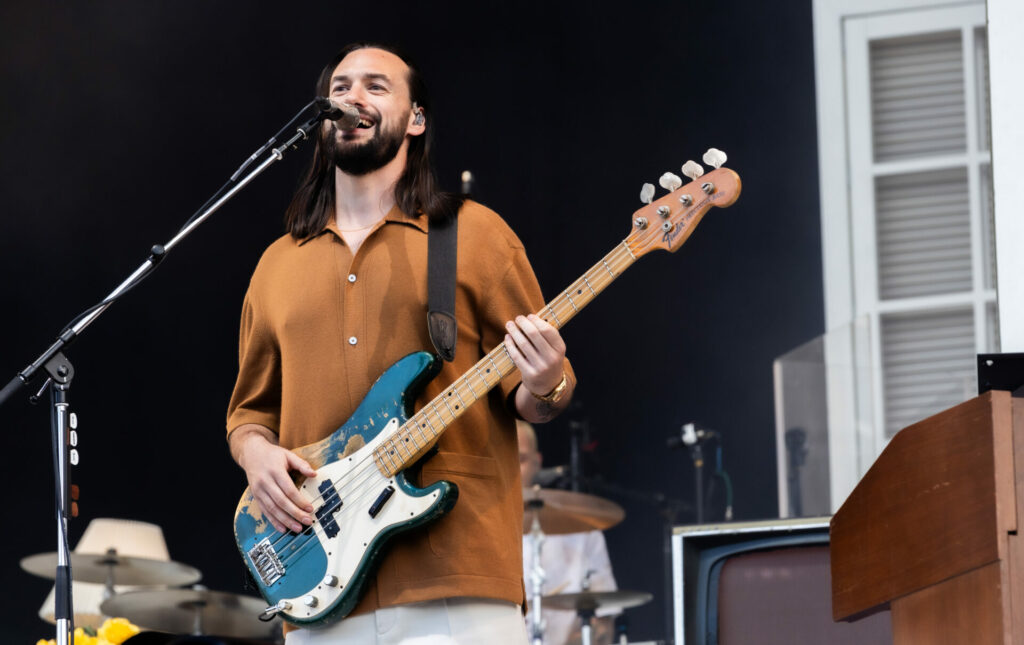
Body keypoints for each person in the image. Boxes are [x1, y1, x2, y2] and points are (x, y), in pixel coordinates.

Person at [225, 43, 576, 644]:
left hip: (456, 581)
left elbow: (537, 395)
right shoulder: (276, 266)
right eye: (340, 88)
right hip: (321, 593)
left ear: (416, 120)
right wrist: (255, 458)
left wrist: (547, 380)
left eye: (376, 86)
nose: (351, 98)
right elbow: (250, 414)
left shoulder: (476, 234)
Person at [519, 421, 618, 645]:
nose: (512, 470)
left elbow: (605, 617)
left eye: (520, 459)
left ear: (538, 462)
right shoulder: (477, 535)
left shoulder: (582, 530)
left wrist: (590, 635)